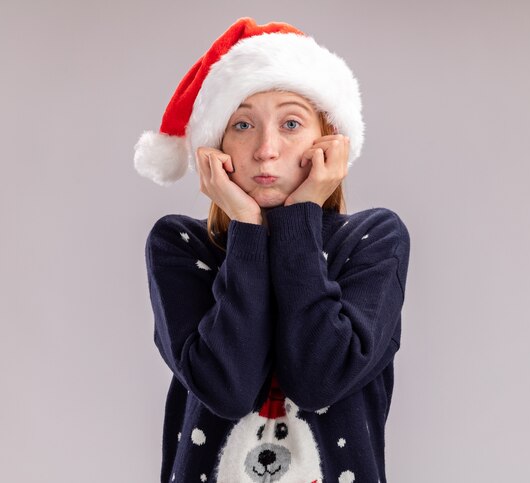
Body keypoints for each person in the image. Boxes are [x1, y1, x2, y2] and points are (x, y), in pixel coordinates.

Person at [134, 17, 411, 483]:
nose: (265, 148)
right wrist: (245, 227)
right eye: (242, 124)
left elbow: (319, 378)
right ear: (215, 146)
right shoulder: (180, 246)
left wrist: (300, 215)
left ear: (330, 141)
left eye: (291, 123)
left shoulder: (373, 240)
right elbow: (227, 387)